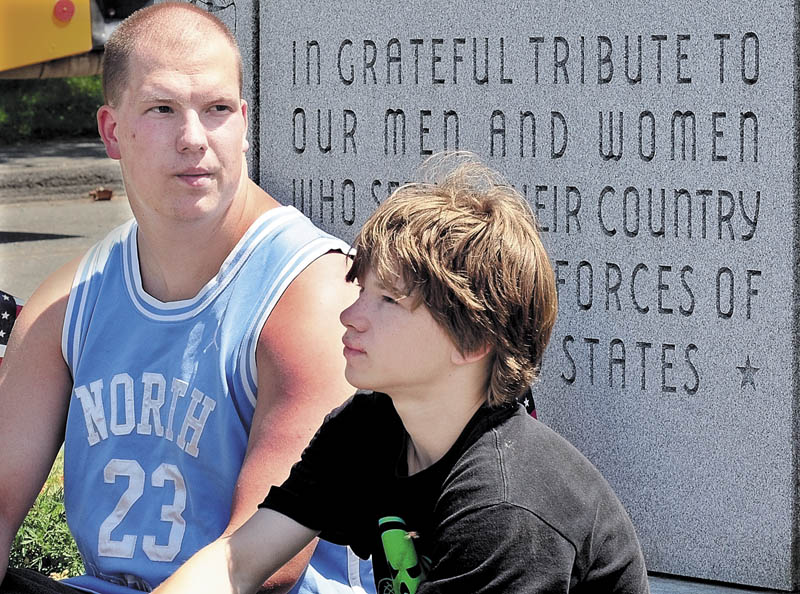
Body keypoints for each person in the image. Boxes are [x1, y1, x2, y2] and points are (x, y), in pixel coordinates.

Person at [151, 152, 651, 594]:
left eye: (389, 299)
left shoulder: (503, 509)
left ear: (473, 340)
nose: (350, 316)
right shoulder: (371, 426)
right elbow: (237, 564)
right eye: (361, 289)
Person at [0, 3, 373, 594]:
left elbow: (262, 564)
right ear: (112, 131)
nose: (194, 138)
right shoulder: (72, 304)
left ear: (245, 122)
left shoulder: (312, 295)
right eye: (162, 109)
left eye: (218, 109)